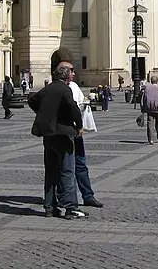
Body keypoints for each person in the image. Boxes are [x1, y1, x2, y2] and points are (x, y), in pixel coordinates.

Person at [28, 64, 86, 219]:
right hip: (64, 134)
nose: (73, 76)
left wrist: (45, 114)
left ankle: (50, 207)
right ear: (66, 76)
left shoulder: (47, 89)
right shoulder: (64, 89)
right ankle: (70, 208)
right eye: (71, 74)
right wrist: (79, 126)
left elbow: (32, 100)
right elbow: (73, 108)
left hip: (49, 135)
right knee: (67, 171)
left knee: (51, 172)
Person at [65, 64, 104, 209]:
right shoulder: (57, 88)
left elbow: (80, 103)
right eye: (71, 71)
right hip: (64, 132)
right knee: (65, 167)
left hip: (77, 132)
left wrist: (85, 104)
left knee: (81, 165)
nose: (74, 73)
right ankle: (65, 198)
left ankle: (88, 196)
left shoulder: (74, 86)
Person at [141, 75, 158, 145]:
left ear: (151, 81)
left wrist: (143, 108)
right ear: (157, 81)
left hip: (149, 109)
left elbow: (144, 99)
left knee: (150, 124)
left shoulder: (147, 89)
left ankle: (151, 139)